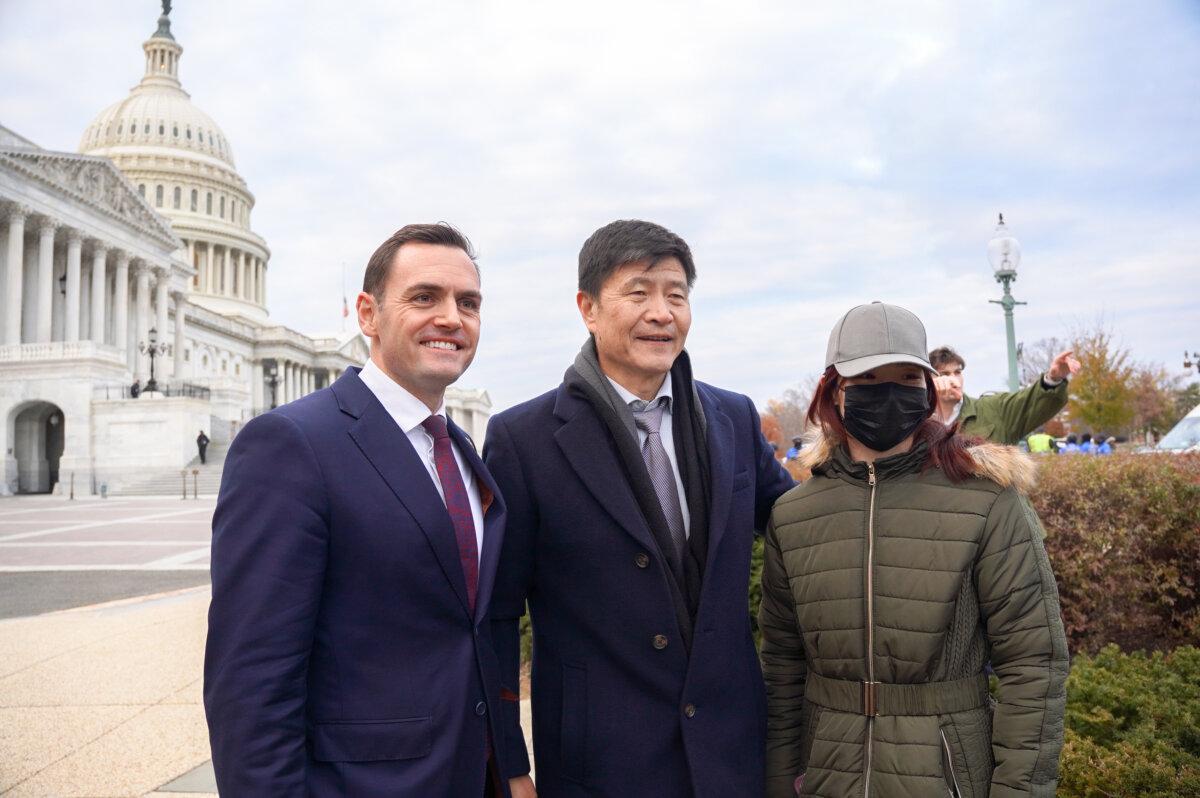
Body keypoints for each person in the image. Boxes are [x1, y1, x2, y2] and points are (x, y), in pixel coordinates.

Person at [485, 220, 794, 797]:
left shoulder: (733, 418)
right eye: (639, 293)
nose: (662, 313)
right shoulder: (522, 439)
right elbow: (498, 614)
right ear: (588, 308)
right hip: (600, 762)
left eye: (676, 295)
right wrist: (510, 762)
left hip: (732, 754)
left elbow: (800, 525)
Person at [204, 223, 515, 796]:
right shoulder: (291, 444)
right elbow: (251, 681)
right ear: (367, 314)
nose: (452, 317)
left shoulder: (462, 451)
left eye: (468, 303)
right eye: (424, 297)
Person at [760, 302, 1068, 797]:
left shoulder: (989, 501)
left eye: (906, 378)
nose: (890, 393)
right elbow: (782, 668)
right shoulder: (794, 515)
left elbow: (1032, 662)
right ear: (835, 390)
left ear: (925, 389)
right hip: (827, 776)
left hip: (947, 776)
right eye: (869, 378)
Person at [929, 345, 1080, 444]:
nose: (954, 379)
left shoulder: (995, 408)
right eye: (945, 374)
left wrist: (1053, 379)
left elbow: (1031, 402)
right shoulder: (917, 418)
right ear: (930, 379)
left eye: (957, 372)